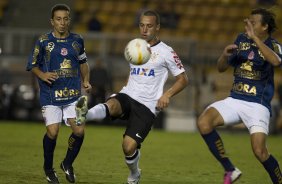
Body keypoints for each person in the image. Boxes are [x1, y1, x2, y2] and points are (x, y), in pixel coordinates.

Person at [75, 10, 188, 184]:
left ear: (157, 27)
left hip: (148, 105)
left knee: (128, 147)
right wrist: (126, 87)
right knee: (112, 104)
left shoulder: (167, 52)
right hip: (129, 94)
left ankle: (134, 174)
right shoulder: (134, 46)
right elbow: (134, 72)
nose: (144, 29)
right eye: (142, 25)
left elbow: (183, 79)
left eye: (149, 26)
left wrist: (167, 94)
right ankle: (84, 114)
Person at [196, 8, 282, 184]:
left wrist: (255, 39)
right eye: (247, 21)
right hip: (235, 100)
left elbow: (276, 61)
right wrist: (224, 55)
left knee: (260, 152)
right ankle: (230, 169)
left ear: (265, 27)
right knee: (204, 122)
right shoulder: (241, 40)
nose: (248, 25)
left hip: (257, 104)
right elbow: (221, 68)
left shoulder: (273, 45)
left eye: (253, 22)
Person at [26, 4, 91, 184]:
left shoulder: (78, 40)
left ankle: (67, 164)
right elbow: (32, 65)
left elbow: (84, 62)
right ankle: (48, 169)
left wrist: (86, 80)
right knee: (53, 133)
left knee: (80, 131)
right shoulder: (43, 41)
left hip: (75, 95)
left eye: (65, 19)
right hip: (50, 95)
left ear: (69, 20)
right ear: (52, 21)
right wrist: (43, 75)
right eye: (58, 19)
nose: (62, 22)